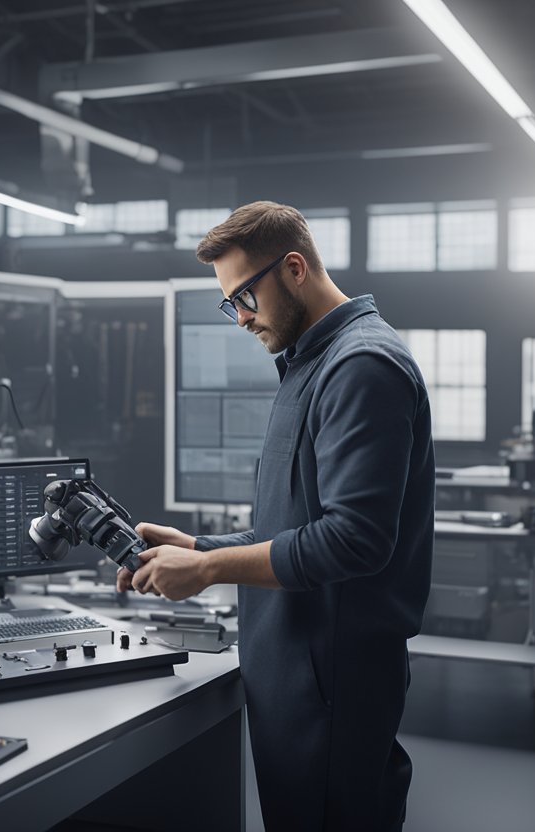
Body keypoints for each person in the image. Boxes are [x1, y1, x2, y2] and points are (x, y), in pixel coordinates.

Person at [118, 201, 434, 830]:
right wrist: (200, 547)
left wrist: (208, 570)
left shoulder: (360, 366)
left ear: (293, 269)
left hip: (332, 682)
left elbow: (354, 541)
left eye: (245, 297)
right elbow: (296, 525)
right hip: (297, 676)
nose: (239, 318)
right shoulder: (309, 363)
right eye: (228, 302)